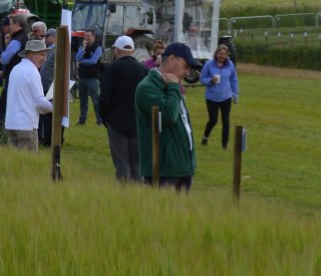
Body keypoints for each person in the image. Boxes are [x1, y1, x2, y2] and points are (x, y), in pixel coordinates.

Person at [135, 42, 201, 192]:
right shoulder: (147, 87)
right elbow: (168, 116)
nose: (187, 72)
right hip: (163, 171)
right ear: (172, 59)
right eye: (186, 66)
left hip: (182, 167)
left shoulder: (173, 86)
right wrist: (173, 87)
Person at [100, 35, 147, 183]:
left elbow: (104, 98)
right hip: (139, 123)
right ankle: (138, 197)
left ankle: (123, 196)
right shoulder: (144, 70)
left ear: (117, 50)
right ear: (132, 51)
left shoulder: (111, 69)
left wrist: (105, 117)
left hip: (117, 122)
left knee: (122, 163)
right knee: (137, 164)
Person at [4, 39, 52, 151]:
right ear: (30, 54)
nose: (44, 59)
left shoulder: (15, 69)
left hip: (11, 123)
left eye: (45, 55)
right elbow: (40, 101)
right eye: (41, 54)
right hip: (26, 125)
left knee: (14, 163)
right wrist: (53, 108)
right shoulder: (32, 71)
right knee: (28, 164)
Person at [200, 44, 239, 148]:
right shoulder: (209, 64)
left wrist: (235, 94)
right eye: (220, 53)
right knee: (213, 120)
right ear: (216, 54)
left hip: (226, 97)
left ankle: (224, 144)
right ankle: (205, 137)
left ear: (227, 55)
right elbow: (202, 79)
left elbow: (234, 80)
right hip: (212, 98)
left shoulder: (230, 65)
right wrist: (210, 81)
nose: (222, 56)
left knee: (226, 121)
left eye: (224, 54)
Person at [76, 30, 103, 125]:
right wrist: (83, 48)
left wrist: (81, 61)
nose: (86, 38)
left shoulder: (98, 48)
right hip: (82, 78)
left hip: (93, 78)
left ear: (93, 37)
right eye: (85, 36)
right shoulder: (82, 46)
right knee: (83, 101)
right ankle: (82, 119)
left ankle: (100, 119)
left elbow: (93, 61)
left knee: (95, 100)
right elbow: (77, 58)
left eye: (88, 36)